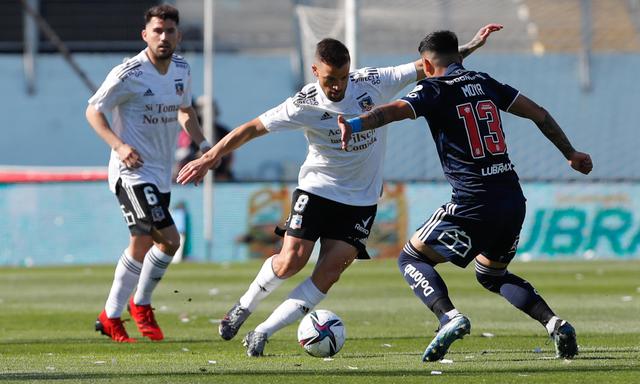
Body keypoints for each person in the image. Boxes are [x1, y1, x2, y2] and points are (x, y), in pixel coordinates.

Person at [177, 24, 502, 357]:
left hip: (361, 200)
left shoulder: (373, 81)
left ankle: (262, 332)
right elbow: (252, 128)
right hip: (317, 188)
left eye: (343, 78)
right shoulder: (303, 103)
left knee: (328, 273)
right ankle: (243, 308)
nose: (337, 86)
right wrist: (209, 157)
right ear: (315, 70)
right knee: (292, 260)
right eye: (330, 79)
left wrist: (472, 46)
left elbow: (431, 64)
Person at [337, 30, 593, 361]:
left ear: (427, 65)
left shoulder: (431, 89)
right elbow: (539, 113)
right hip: (512, 199)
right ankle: (554, 323)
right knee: (490, 274)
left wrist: (354, 124)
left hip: (473, 201)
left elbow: (390, 112)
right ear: (458, 57)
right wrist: (570, 153)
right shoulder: (485, 82)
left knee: (411, 258)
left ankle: (449, 318)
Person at [86, 4, 210, 343]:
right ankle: (138, 305)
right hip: (131, 172)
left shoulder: (182, 69)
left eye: (170, 31)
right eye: (157, 31)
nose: (163, 37)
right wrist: (119, 146)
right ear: (145, 35)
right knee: (170, 240)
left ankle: (112, 315)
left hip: (159, 173)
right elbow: (93, 111)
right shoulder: (129, 73)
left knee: (144, 243)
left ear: (178, 35)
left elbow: (185, 111)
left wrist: (203, 145)